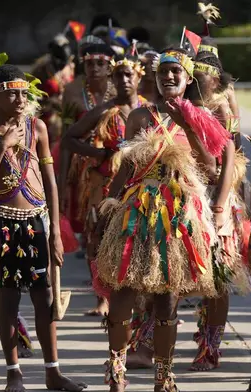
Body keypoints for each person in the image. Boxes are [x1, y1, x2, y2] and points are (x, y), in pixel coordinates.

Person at [95, 47, 232, 392]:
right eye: (164, 72)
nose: (169, 77)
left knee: (166, 298)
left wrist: (186, 123)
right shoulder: (140, 116)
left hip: (178, 216)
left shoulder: (201, 116)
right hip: (136, 210)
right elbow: (127, 166)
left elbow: (212, 171)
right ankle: (117, 371)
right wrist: (107, 204)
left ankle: (164, 375)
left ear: (187, 80)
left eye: (176, 72)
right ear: (155, 77)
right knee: (123, 291)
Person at [0, 64, 87, 392]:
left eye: (23, 93)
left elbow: (50, 180)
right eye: (11, 93)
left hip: (37, 222)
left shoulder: (37, 128)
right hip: (1, 223)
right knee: (8, 300)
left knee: (44, 297)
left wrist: (57, 234)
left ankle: (53, 372)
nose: (20, 99)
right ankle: (14, 374)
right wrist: (3, 146)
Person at [60, 47, 147, 317]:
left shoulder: (149, 110)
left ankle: (139, 297)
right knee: (97, 238)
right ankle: (103, 298)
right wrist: (101, 153)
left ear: (139, 77)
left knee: (138, 239)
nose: (123, 80)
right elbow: (69, 138)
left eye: (128, 75)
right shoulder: (105, 110)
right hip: (106, 184)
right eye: (118, 75)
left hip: (139, 186)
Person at [186, 49, 251, 372]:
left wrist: (221, 203)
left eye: (207, 73)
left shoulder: (224, 106)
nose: (201, 79)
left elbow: (232, 154)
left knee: (217, 279)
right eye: (195, 73)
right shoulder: (177, 106)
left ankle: (210, 348)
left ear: (217, 78)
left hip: (217, 200)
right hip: (183, 195)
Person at [60, 38, 116, 262]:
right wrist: (62, 184)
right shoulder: (72, 91)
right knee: (90, 224)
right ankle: (98, 278)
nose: (94, 68)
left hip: (113, 167)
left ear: (110, 66)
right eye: (89, 63)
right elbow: (65, 139)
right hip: (83, 170)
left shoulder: (119, 91)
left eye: (100, 63)